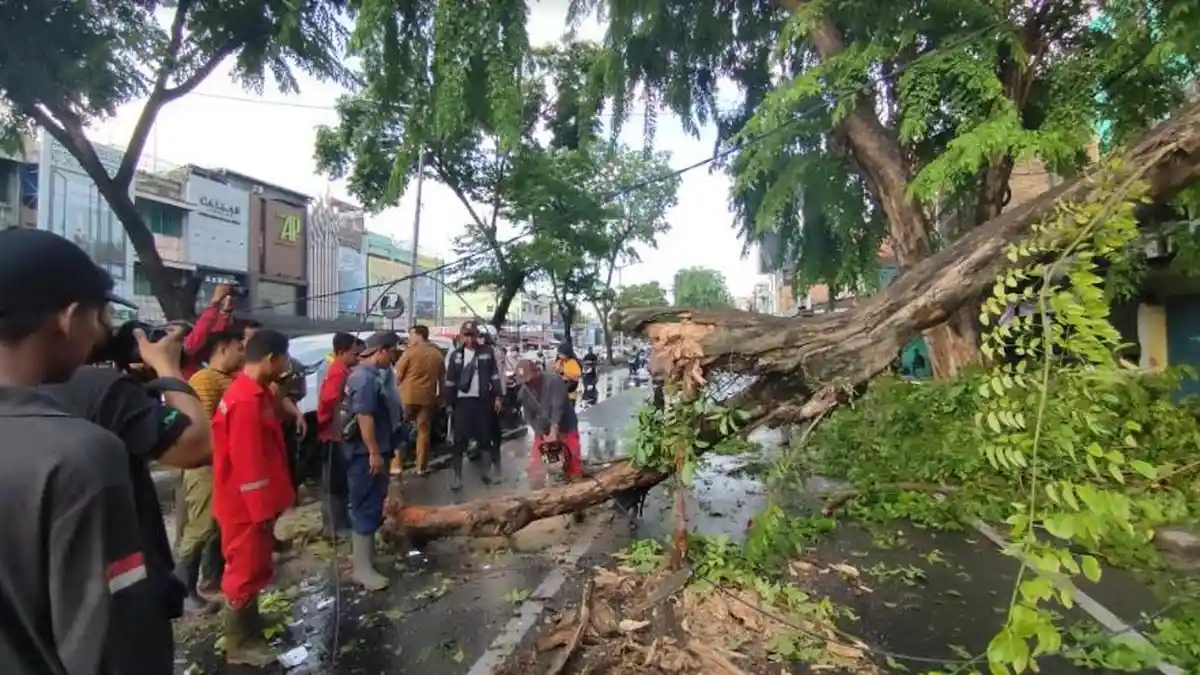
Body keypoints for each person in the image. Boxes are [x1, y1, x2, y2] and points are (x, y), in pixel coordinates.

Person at [0, 228, 158, 675]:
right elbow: (109, 646)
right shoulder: (82, 458)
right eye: (98, 316)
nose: (100, 333)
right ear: (68, 318)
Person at [211, 328, 296, 666]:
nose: (288, 364)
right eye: (285, 358)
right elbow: (247, 461)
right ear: (272, 358)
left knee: (256, 565)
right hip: (244, 506)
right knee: (243, 571)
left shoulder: (255, 392)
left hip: (250, 503)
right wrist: (261, 511)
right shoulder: (245, 400)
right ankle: (237, 643)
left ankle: (250, 623)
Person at [175, 329, 245, 615]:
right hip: (206, 465)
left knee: (217, 524)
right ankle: (183, 591)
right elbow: (200, 426)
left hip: (224, 464)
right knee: (201, 526)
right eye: (239, 347)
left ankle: (210, 580)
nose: (243, 353)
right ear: (222, 348)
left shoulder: (228, 379)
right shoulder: (205, 380)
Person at [343, 332, 398, 591]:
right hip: (365, 454)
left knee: (373, 503)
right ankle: (362, 569)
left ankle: (367, 561)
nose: (394, 357)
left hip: (374, 450)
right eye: (392, 352)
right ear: (381, 351)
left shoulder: (370, 375)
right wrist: (374, 452)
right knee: (365, 505)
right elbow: (365, 417)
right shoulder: (364, 378)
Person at [443, 320, 504, 490]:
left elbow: (494, 375)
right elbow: (450, 381)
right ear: (461, 336)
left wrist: (498, 396)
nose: (469, 339)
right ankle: (457, 476)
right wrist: (448, 403)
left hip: (483, 401)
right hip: (462, 402)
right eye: (466, 336)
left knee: (485, 438)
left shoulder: (486, 352)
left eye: (472, 335)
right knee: (459, 441)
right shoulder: (456, 355)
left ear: (477, 336)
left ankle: (487, 473)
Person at [316, 332, 361, 536]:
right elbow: (328, 402)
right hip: (333, 436)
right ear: (342, 352)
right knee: (334, 484)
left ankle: (340, 522)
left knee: (340, 482)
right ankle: (334, 527)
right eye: (354, 353)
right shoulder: (337, 372)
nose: (357, 357)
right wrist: (334, 424)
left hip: (335, 433)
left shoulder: (341, 369)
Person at [515, 359, 583, 486]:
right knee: (536, 466)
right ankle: (540, 491)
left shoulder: (553, 381)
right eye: (524, 382)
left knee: (573, 462)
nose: (528, 384)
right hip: (544, 428)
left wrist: (554, 430)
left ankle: (576, 485)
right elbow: (529, 417)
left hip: (565, 425)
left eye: (529, 380)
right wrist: (541, 433)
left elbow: (558, 407)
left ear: (537, 372)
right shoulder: (524, 392)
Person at [394, 325, 445, 476]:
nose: (409, 338)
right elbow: (442, 379)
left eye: (411, 335)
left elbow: (398, 375)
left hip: (407, 397)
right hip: (428, 398)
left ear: (419, 335)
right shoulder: (437, 354)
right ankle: (421, 467)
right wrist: (441, 396)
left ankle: (397, 465)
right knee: (423, 432)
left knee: (400, 429)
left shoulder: (410, 352)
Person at [182, 284, 237, 379]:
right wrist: (214, 304)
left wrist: (225, 312)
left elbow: (214, 335)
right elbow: (196, 339)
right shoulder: (183, 357)